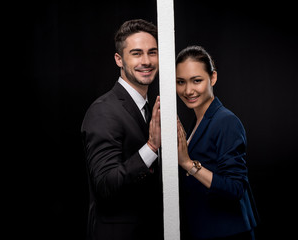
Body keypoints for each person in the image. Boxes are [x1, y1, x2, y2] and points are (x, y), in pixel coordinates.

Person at [81, 19, 163, 240]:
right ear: (119, 59)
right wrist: (151, 147)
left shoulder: (152, 107)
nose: (146, 61)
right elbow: (105, 185)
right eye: (136, 53)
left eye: (152, 52)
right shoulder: (103, 111)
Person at [176, 45, 259, 240]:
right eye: (181, 82)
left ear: (212, 78)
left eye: (197, 81)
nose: (188, 90)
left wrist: (188, 164)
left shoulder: (226, 121)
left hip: (229, 232)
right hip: (208, 229)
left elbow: (236, 187)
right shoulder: (198, 120)